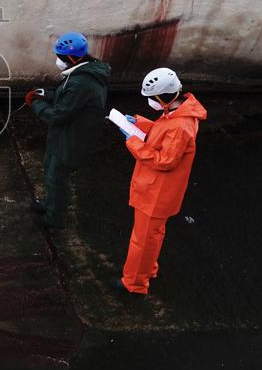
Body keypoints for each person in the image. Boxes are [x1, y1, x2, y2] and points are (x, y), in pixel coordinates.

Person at [112, 67, 207, 296]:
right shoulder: (179, 114)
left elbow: (165, 160)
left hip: (156, 192)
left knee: (142, 240)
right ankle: (146, 270)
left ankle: (134, 284)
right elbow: (161, 133)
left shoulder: (180, 124)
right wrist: (139, 122)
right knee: (152, 235)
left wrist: (133, 141)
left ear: (161, 98)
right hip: (159, 192)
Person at [25, 32, 111, 229]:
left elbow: (58, 116)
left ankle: (54, 219)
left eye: (61, 57)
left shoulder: (82, 82)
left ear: (72, 58)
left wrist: (36, 105)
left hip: (73, 139)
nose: (58, 61)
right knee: (49, 169)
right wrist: (44, 94)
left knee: (57, 178)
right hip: (64, 136)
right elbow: (65, 97)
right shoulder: (80, 73)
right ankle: (48, 205)